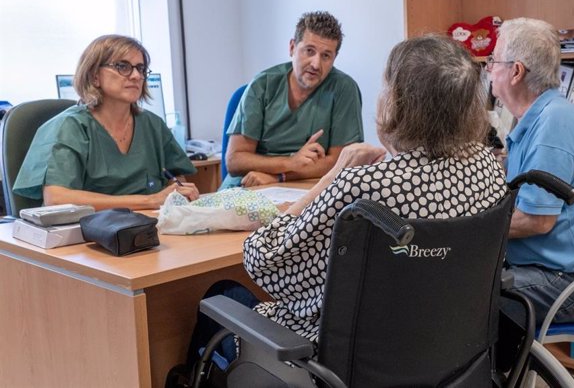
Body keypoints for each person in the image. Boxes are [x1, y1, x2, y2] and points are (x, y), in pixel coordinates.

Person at [183, 34, 507, 369]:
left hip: (330, 363)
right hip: (447, 353)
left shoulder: (364, 189)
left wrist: (330, 178)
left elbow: (262, 261)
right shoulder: (486, 165)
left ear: (399, 102)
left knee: (221, 294)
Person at [487, 17, 574, 325]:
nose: (488, 69)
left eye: (493, 60)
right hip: (566, 273)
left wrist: (468, 229)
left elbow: (538, 221)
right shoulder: (540, 120)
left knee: (468, 293)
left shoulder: (554, 124)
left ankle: (497, 372)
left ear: (516, 71)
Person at [13, 34, 199, 210]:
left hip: (148, 228)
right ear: (94, 76)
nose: (136, 76)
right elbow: (56, 198)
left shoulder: (153, 125)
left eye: (141, 69)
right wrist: (149, 200)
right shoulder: (71, 126)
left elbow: (174, 176)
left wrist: (178, 190)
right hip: (86, 234)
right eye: (123, 67)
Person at [220, 11, 364, 189]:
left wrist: (280, 177)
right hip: (249, 184)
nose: (316, 64)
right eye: (309, 51)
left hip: (305, 187)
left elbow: (343, 161)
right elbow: (235, 161)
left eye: (326, 56)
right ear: (292, 47)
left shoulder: (343, 88)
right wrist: (291, 162)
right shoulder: (262, 85)